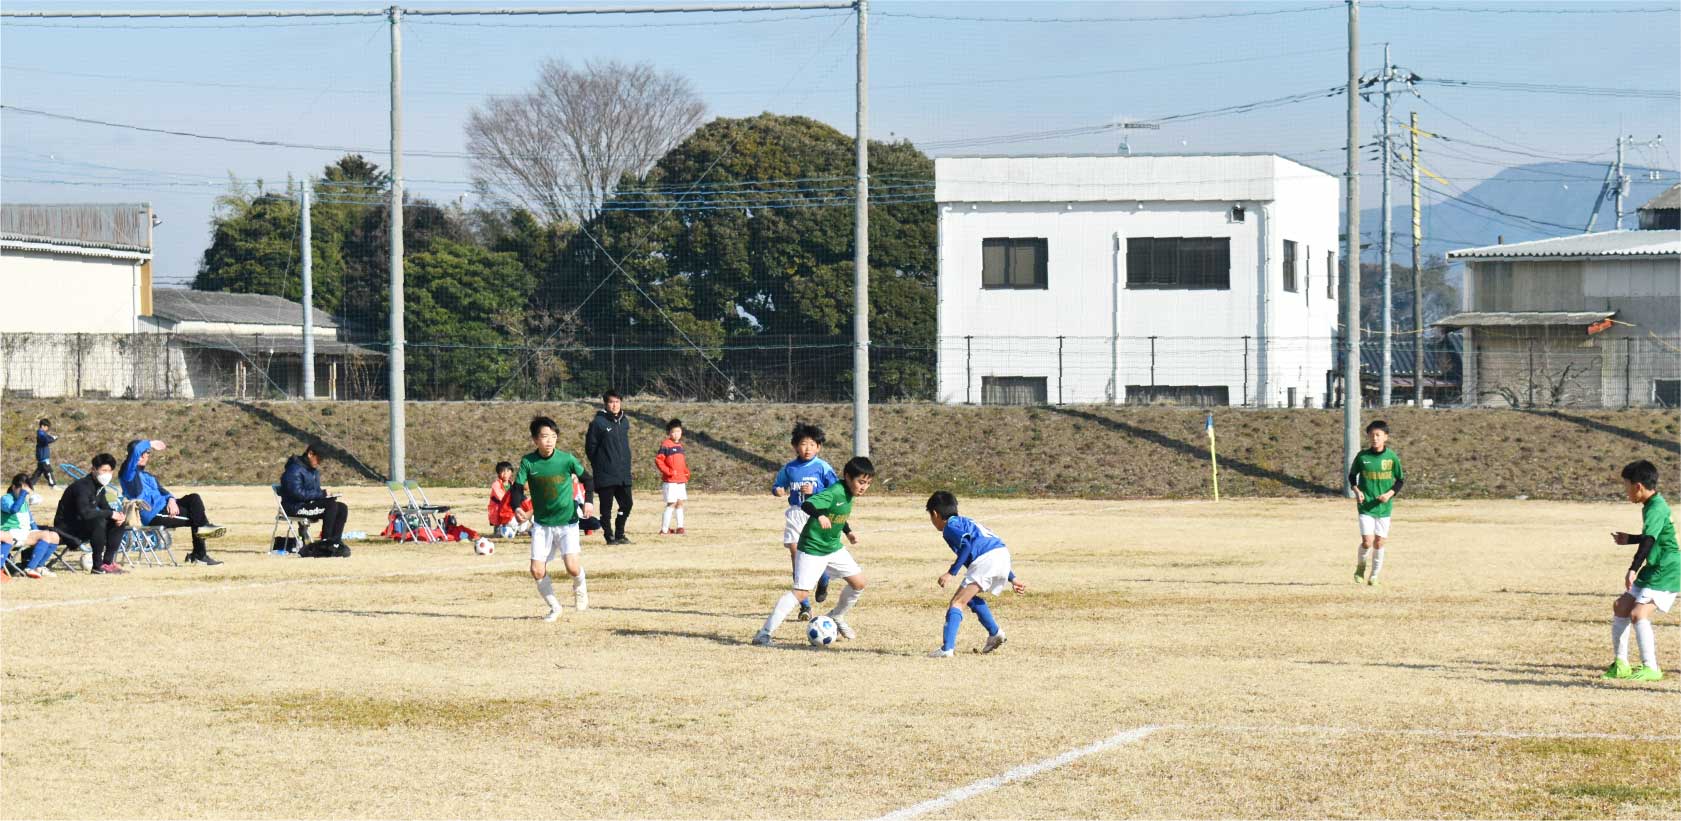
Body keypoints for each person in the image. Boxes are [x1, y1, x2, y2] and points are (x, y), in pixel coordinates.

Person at [753, 456, 874, 647]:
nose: (863, 487)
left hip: (833, 547)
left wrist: (848, 532)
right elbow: (808, 504)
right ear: (848, 477)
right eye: (861, 482)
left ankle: (836, 616)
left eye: (867, 483)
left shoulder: (850, 495)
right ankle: (764, 634)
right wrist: (820, 515)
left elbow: (838, 515)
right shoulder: (835, 491)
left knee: (859, 583)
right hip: (812, 548)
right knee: (801, 593)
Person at [511, 416, 597, 622]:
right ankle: (555, 607)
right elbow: (516, 488)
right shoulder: (528, 462)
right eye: (544, 437)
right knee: (536, 570)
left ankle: (580, 587)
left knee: (572, 567)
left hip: (567, 522)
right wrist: (516, 507)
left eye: (553, 436)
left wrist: (588, 502)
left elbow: (588, 478)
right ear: (535, 440)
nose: (549, 441)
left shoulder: (566, 459)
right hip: (542, 524)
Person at [923, 491, 1028, 658]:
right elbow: (991, 548)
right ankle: (995, 633)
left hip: (987, 558)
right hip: (1002, 554)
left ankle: (946, 649)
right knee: (968, 598)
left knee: (957, 602)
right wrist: (1013, 578)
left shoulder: (950, 527)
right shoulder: (967, 521)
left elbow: (967, 546)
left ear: (935, 513)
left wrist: (951, 572)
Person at [1602, 459, 1678, 682]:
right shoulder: (1653, 504)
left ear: (1638, 486)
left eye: (1626, 486)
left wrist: (1633, 568)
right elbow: (1651, 536)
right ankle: (1621, 664)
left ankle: (1651, 668)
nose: (1625, 491)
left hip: (1667, 568)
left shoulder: (1655, 507)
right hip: (1656, 565)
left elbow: (1650, 541)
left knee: (1638, 614)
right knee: (1621, 606)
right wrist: (1630, 539)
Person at [771, 423, 839, 620]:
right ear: (795, 446)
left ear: (819, 447)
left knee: (816, 555)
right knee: (796, 555)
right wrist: (778, 491)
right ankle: (805, 606)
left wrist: (815, 492)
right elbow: (777, 486)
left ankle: (824, 577)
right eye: (803, 444)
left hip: (817, 514)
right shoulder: (789, 468)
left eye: (811, 444)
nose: (807, 448)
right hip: (796, 513)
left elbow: (835, 493)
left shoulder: (823, 467)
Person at [121, 438, 226, 566]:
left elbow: (163, 491)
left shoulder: (148, 476)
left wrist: (171, 499)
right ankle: (199, 553)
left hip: (165, 507)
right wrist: (151, 444)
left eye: (147, 453)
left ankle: (201, 540)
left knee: (194, 498)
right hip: (154, 514)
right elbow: (136, 451)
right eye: (142, 453)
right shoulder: (128, 474)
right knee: (197, 519)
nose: (144, 456)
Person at [53, 453, 128, 575]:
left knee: (118, 522)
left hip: (84, 525)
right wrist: (110, 514)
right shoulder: (81, 487)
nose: (107, 474)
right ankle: (97, 566)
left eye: (110, 471)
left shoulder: (100, 488)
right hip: (67, 527)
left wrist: (118, 516)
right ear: (93, 470)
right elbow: (85, 513)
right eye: (104, 470)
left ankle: (107, 563)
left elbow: (106, 508)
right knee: (98, 521)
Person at [1349, 420, 1403, 586]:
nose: (1374, 438)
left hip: (1384, 507)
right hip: (1366, 506)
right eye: (1371, 435)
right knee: (1367, 541)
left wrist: (1389, 494)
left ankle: (1374, 576)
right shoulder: (1362, 456)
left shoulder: (1392, 457)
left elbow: (1400, 480)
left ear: (1385, 437)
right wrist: (1357, 491)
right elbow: (1352, 476)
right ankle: (1360, 568)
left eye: (1378, 435)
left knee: (1379, 542)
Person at [279, 442, 351, 557]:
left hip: (308, 505)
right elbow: (297, 494)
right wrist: (321, 495)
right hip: (295, 507)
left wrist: (327, 496)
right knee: (330, 506)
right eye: (319, 459)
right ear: (310, 454)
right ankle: (325, 543)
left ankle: (335, 542)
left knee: (341, 507)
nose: (320, 463)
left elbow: (314, 492)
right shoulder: (293, 470)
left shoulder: (312, 471)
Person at [585, 389, 634, 545]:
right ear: (606, 404)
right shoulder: (598, 423)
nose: (615, 405)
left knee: (627, 504)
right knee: (606, 507)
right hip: (606, 473)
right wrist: (600, 463)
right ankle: (609, 535)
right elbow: (590, 448)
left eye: (617, 402)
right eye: (611, 402)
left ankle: (620, 533)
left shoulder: (624, 421)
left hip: (623, 472)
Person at [2, 475, 62, 579]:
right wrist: (23, 494)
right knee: (45, 535)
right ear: (13, 487)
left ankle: (39, 566)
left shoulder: (24, 502)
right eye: (22, 489)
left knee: (54, 536)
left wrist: (37, 531)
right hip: (10, 534)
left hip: (24, 533)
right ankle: (30, 568)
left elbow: (31, 521)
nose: (24, 493)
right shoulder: (5, 499)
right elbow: (13, 510)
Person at [654, 418, 690, 536]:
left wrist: (686, 472)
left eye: (678, 431)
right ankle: (664, 530)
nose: (676, 434)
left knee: (680, 503)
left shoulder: (680, 446)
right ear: (669, 433)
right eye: (674, 432)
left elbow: (682, 463)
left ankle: (680, 527)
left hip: (680, 480)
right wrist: (668, 471)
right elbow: (659, 460)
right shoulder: (666, 444)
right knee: (671, 504)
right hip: (671, 481)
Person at [488, 461, 533, 539]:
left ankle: (523, 529)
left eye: (508, 471)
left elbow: (520, 492)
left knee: (525, 509)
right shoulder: (496, 484)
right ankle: (499, 529)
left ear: (511, 472)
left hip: (510, 510)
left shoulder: (513, 484)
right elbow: (502, 498)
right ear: (498, 473)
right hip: (499, 511)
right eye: (502, 471)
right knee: (501, 531)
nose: (505, 474)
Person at [30, 418, 58, 489]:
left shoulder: (42, 433)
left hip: (42, 457)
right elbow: (46, 439)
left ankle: (30, 484)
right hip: (43, 457)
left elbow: (47, 437)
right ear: (42, 426)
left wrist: (53, 437)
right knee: (48, 471)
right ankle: (53, 485)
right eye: (46, 427)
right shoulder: (40, 433)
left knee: (37, 473)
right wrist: (53, 438)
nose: (47, 429)